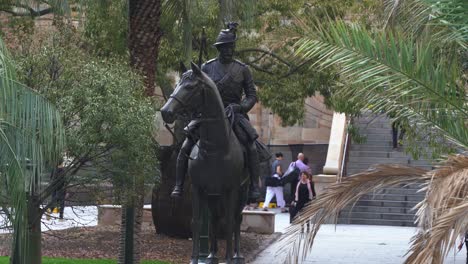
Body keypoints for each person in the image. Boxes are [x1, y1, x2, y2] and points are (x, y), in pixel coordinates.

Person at [170, 22, 261, 199]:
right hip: (207, 115)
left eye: (230, 46)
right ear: (218, 48)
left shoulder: (243, 70)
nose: (228, 50)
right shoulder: (206, 67)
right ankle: (178, 185)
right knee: (186, 145)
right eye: (224, 47)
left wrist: (240, 106)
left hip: (234, 113)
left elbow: (251, 95)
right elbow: (196, 89)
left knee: (251, 145)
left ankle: (254, 187)